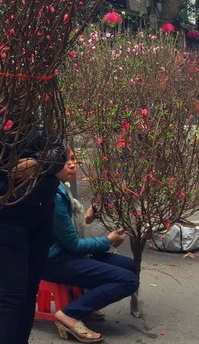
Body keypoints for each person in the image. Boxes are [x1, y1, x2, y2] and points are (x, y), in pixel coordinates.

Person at [0, 112, 67, 344]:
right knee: (12, 296)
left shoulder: (43, 111)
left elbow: (59, 154)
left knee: (29, 292)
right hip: (5, 218)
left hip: (40, 215)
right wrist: (20, 179)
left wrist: (37, 165)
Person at [41, 145, 138, 343]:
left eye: (74, 159)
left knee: (129, 266)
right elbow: (74, 245)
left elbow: (65, 228)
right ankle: (68, 314)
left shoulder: (61, 188)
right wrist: (108, 241)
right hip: (54, 261)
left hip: (66, 253)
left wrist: (86, 216)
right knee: (128, 280)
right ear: (52, 165)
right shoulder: (54, 196)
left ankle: (84, 304)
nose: (72, 165)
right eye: (66, 161)